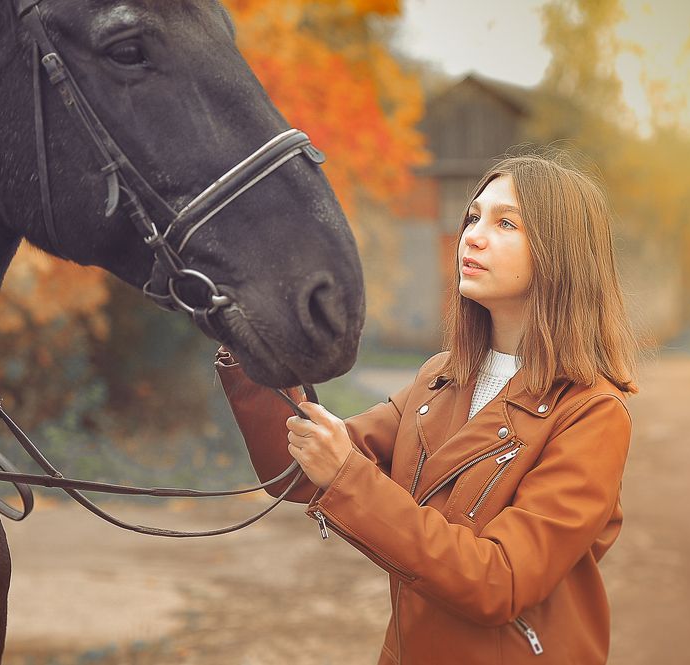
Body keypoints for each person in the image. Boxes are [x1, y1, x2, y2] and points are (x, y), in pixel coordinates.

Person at [215, 152, 639, 664]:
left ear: (563, 254)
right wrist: (251, 344)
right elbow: (300, 472)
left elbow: (499, 581)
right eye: (473, 217)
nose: (473, 236)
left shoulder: (591, 412)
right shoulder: (442, 377)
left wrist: (346, 475)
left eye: (506, 223)